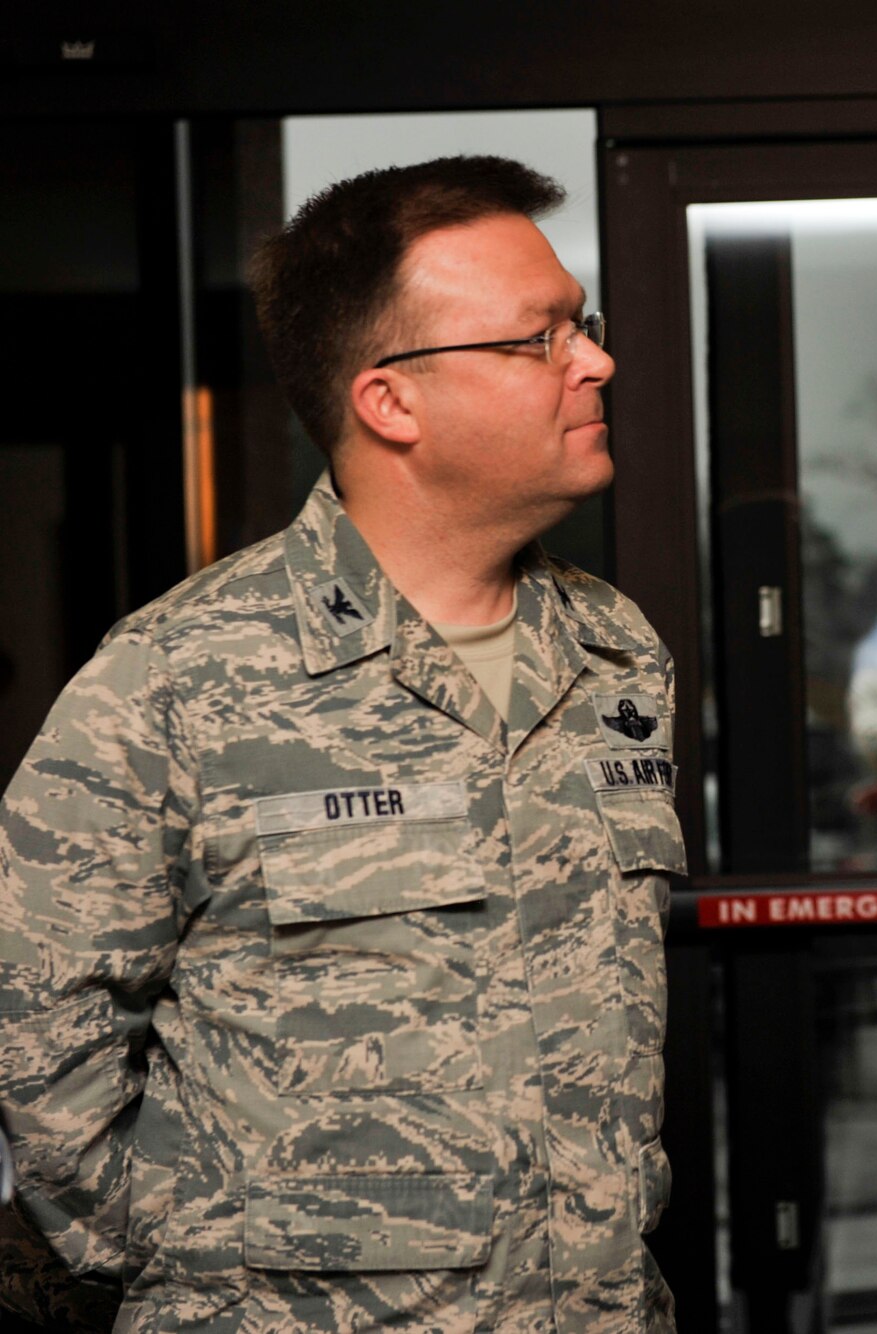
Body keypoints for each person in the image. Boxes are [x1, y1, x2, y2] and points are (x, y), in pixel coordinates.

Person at [0, 156, 682, 1331]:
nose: (594, 360)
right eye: (539, 337)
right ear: (390, 400)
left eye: (586, 323)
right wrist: (203, 1265)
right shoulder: (176, 676)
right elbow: (39, 1034)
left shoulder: (617, 651)